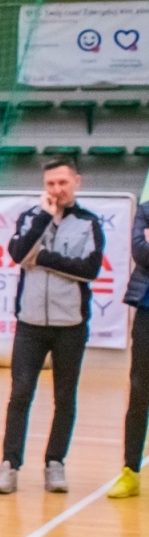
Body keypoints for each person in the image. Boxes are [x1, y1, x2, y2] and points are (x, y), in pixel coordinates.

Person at [0, 159, 104, 495]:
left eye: (62, 182)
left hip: (70, 324)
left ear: (76, 182)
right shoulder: (30, 217)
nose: (57, 190)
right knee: (20, 393)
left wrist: (42, 259)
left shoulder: (89, 223)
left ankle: (55, 463)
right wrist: (42, 219)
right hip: (29, 324)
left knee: (64, 396)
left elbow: (89, 268)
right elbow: (17, 254)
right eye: (50, 184)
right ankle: (9, 465)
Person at [107, 194, 149, 499]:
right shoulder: (145, 212)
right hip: (147, 313)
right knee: (139, 391)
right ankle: (130, 470)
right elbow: (142, 252)